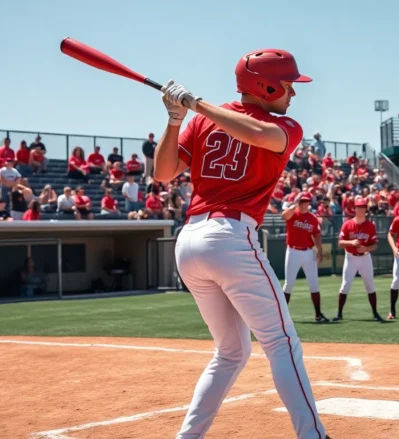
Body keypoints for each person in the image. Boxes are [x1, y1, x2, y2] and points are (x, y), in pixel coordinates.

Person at [152, 49, 330, 439]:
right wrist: (175, 117)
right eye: (288, 85)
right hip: (229, 238)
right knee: (281, 343)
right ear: (264, 87)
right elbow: (163, 173)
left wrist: (193, 109)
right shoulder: (268, 124)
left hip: (190, 243)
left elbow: (253, 133)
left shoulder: (221, 121)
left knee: (231, 352)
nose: (293, 94)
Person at [333, 197, 383, 322]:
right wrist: (351, 242)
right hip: (350, 258)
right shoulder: (348, 224)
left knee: (370, 286)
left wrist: (367, 248)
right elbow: (340, 243)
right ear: (354, 209)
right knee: (345, 285)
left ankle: (375, 313)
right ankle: (339, 314)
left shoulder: (370, 225)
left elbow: (375, 244)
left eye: (362, 207)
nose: (360, 210)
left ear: (365, 209)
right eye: (358, 207)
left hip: (365, 258)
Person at [281, 192, 327, 322]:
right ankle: (282, 316)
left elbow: (317, 235)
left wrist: (319, 249)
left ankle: (318, 314)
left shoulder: (312, 218)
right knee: (288, 284)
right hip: (293, 251)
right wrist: (294, 204)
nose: (304, 203)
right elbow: (284, 216)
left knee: (314, 284)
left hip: (308, 252)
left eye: (306, 201)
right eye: (302, 201)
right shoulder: (292, 213)